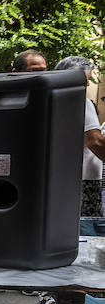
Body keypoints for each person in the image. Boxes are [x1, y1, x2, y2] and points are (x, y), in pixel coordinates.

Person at [55, 56, 105, 219]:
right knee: (87, 230)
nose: (88, 84)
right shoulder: (81, 102)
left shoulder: (53, 102)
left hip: (61, 179)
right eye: (87, 79)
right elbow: (95, 141)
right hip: (86, 182)